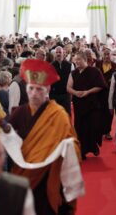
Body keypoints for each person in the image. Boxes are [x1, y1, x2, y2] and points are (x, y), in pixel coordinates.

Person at [9, 59, 81, 214]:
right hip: (24, 175)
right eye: (31, 88)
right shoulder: (19, 113)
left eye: (39, 89)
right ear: (26, 89)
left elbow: (73, 145)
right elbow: (8, 142)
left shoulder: (59, 115)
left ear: (48, 89)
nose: (34, 94)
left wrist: (63, 150)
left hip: (50, 175)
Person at [67, 51, 107, 159]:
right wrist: (76, 93)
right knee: (79, 128)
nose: (76, 62)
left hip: (92, 104)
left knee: (93, 127)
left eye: (79, 59)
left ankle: (94, 147)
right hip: (79, 104)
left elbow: (101, 86)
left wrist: (87, 92)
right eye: (75, 60)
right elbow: (68, 87)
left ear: (85, 60)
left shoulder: (95, 71)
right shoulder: (73, 73)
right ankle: (82, 150)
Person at [95, 48, 116, 140]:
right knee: (99, 112)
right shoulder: (98, 64)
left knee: (109, 112)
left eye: (108, 54)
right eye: (105, 54)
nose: (107, 56)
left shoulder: (114, 65)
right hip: (99, 92)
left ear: (111, 55)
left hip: (110, 93)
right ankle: (99, 131)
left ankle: (107, 131)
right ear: (102, 55)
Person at [50, 46, 72, 115]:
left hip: (66, 95)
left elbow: (72, 80)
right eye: (57, 52)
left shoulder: (70, 65)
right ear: (55, 54)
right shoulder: (50, 66)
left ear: (63, 53)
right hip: (54, 95)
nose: (58, 54)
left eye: (60, 52)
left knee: (67, 116)